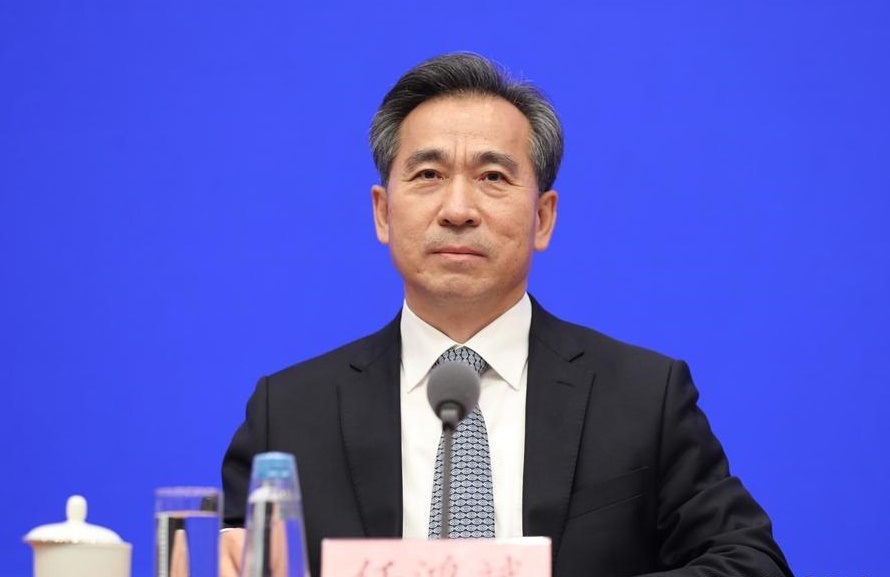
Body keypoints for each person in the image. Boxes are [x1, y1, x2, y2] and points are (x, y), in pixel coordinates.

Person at [219, 52, 793, 577]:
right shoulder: (289, 414)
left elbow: (751, 563)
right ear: (383, 213)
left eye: (493, 177)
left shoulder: (644, 398)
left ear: (543, 217)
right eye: (428, 175)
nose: (458, 210)